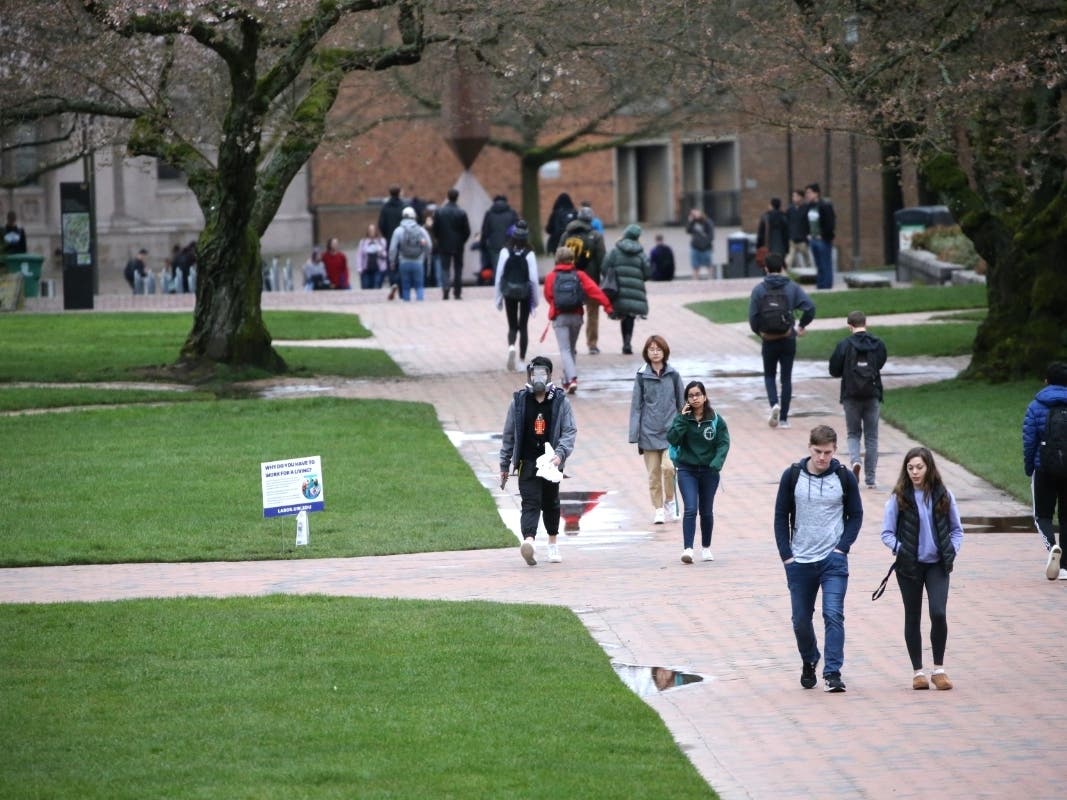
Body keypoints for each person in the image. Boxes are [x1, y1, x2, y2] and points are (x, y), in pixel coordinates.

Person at [774, 424, 863, 693]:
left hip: (832, 560)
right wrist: (787, 556)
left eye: (828, 452)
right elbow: (780, 516)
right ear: (809, 448)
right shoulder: (792, 476)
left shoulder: (844, 477)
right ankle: (810, 659)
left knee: (833, 614)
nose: (823, 458)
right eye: (818, 452)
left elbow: (856, 515)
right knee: (800, 620)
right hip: (799, 561)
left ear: (835, 451)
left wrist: (842, 548)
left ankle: (833, 672)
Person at [880, 447, 964, 690]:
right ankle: (918, 671)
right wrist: (901, 549)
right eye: (910, 468)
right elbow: (886, 533)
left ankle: (939, 669)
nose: (915, 472)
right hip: (909, 566)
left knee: (938, 612)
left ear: (929, 468)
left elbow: (956, 529)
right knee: (912, 615)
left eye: (919, 467)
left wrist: (951, 549)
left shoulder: (943, 494)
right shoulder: (899, 497)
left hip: (937, 564)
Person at [499, 355, 577, 566]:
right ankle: (529, 542)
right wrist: (504, 465)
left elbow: (569, 431)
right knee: (530, 502)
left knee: (551, 502)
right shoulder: (519, 401)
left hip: (551, 462)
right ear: (529, 376)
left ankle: (553, 544)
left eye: (542, 373)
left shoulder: (560, 401)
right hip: (527, 461)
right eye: (535, 374)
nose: (538, 378)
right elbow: (508, 435)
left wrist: (560, 454)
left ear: (550, 375)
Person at [749, 252, 816, 429]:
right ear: (782, 268)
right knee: (786, 378)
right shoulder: (792, 287)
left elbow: (753, 318)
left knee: (770, 375)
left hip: (768, 340)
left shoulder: (759, 290)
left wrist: (761, 333)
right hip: (788, 338)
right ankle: (784, 418)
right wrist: (801, 326)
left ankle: (774, 404)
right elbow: (810, 308)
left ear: (765, 268)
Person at [667, 380, 731, 564]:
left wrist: (716, 462)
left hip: (709, 471)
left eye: (697, 394)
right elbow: (672, 438)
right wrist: (682, 419)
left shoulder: (715, 419)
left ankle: (706, 547)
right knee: (690, 508)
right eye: (690, 395)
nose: (694, 398)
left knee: (706, 511)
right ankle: (687, 549)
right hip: (687, 469)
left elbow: (723, 443)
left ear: (704, 396)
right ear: (686, 399)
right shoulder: (682, 418)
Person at [629, 335, 686, 525]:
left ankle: (670, 500)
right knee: (653, 474)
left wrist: (685, 428)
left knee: (669, 468)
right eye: (651, 349)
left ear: (664, 352)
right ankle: (659, 508)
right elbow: (636, 406)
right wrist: (634, 434)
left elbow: (682, 404)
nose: (655, 352)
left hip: (671, 432)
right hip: (648, 432)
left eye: (658, 349)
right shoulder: (642, 375)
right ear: (646, 352)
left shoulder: (673, 374)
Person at [829, 311, 888, 489]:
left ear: (849, 326)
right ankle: (870, 478)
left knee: (853, 434)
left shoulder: (844, 345)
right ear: (865, 323)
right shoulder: (877, 344)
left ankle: (855, 461)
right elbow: (880, 362)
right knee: (872, 437)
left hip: (851, 395)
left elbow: (834, 369)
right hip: (872, 394)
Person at [544, 246, 614, 394]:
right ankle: (567, 380)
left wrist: (554, 306)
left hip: (560, 316)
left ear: (557, 259)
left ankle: (572, 379)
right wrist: (607, 306)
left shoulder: (551, 277)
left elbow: (548, 295)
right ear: (572, 259)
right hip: (576, 316)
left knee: (565, 349)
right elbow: (594, 290)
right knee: (571, 349)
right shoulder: (579, 275)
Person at [1022, 361, 1067, 580]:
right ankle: (1066, 567)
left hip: (1044, 467)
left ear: (1046, 380)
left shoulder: (1036, 406)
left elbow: (1029, 440)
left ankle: (1051, 546)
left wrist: (1030, 466)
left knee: (1043, 515)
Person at [493, 220, 539, 371]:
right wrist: (535, 300)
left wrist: (498, 297)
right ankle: (521, 360)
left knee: (512, 325)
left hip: (509, 291)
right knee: (523, 325)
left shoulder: (505, 251)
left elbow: (499, 275)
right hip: (525, 292)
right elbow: (533, 279)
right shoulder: (530, 253)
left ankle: (511, 346)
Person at [562, 206, 607, 355]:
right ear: (591, 220)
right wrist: (605, 277)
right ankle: (592, 344)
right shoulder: (596, 236)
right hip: (590, 280)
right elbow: (602, 260)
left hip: (569, 279)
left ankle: (570, 345)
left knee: (571, 312)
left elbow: (559, 257)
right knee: (592, 313)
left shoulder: (566, 235)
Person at [602, 224, 651, 355]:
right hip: (635, 290)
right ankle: (627, 342)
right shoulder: (641, 253)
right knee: (630, 316)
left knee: (623, 315)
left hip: (618, 289)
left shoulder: (614, 251)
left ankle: (626, 342)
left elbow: (604, 268)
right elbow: (647, 273)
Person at [433, 188, 471, 300]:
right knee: (458, 268)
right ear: (457, 197)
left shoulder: (439, 212)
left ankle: (445, 289)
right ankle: (457, 292)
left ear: (447, 196)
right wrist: (462, 240)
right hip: (458, 245)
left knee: (445, 268)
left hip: (444, 244)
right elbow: (467, 231)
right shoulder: (462, 212)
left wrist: (439, 239)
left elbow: (435, 229)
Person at [388, 206, 432, 301]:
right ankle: (420, 306)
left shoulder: (398, 230)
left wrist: (392, 261)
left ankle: (407, 306)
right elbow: (429, 245)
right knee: (419, 286)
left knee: (405, 287)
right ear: (414, 216)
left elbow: (392, 248)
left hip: (404, 261)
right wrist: (426, 257)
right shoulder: (421, 230)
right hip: (418, 261)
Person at [480, 194, 519, 286]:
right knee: (509, 265)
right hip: (509, 244)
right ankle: (509, 284)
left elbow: (485, 231)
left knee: (496, 267)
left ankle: (497, 286)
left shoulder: (489, 214)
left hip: (494, 244)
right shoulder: (512, 213)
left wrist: (483, 244)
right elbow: (516, 229)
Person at [805, 182, 836, 289]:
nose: (807, 195)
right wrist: (808, 234)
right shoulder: (809, 207)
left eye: (809, 193)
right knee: (818, 264)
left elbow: (830, 223)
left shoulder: (825, 205)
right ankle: (820, 284)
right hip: (813, 239)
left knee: (825, 263)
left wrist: (823, 235)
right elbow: (806, 222)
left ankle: (827, 285)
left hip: (823, 239)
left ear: (816, 193)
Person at [786, 189, 814, 270]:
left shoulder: (807, 208)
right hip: (792, 239)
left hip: (803, 239)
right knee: (788, 260)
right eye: (793, 196)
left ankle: (810, 275)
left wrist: (809, 235)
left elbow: (810, 223)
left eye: (795, 196)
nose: (793, 198)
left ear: (801, 197)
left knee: (807, 260)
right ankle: (785, 277)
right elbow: (786, 223)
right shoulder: (790, 209)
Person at [356, 223, 387, 290]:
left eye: (373, 230)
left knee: (376, 286)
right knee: (366, 287)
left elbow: (385, 255)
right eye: (370, 230)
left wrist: (379, 250)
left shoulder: (381, 241)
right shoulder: (363, 242)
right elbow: (359, 256)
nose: (371, 232)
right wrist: (359, 268)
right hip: (366, 269)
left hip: (378, 269)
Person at [686, 208, 714, 279]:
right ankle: (695, 281)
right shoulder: (693, 222)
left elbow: (711, 236)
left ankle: (710, 280)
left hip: (706, 248)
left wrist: (705, 244)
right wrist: (690, 221)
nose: (695, 215)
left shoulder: (707, 222)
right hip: (695, 247)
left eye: (696, 213)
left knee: (709, 265)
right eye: (693, 214)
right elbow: (688, 231)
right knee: (695, 266)